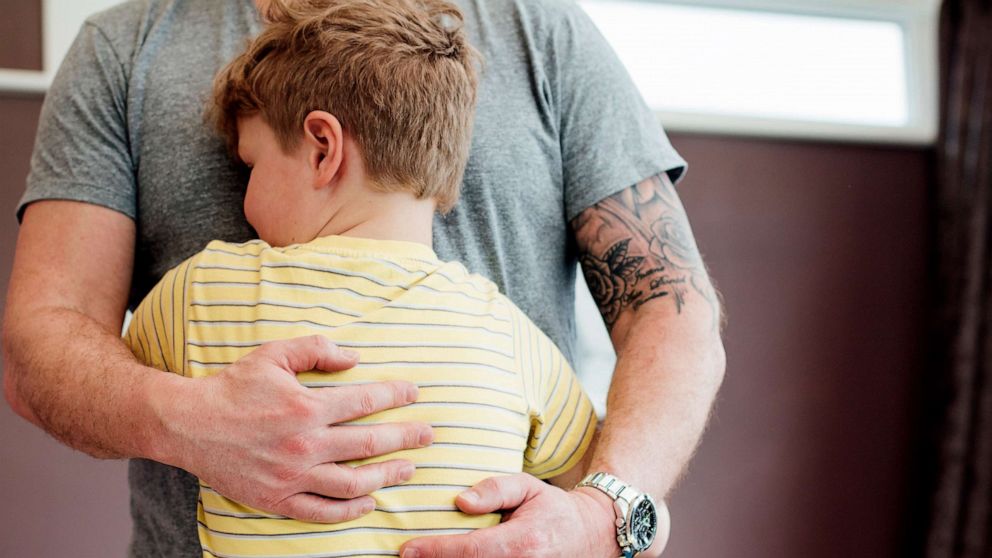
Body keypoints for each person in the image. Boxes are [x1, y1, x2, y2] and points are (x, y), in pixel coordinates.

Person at [2, 0, 725, 556]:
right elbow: (42, 343)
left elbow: (671, 308)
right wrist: (189, 423)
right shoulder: (127, 46)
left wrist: (606, 517)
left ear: (321, 148)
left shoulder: (538, 28)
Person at [123, 1, 597, 555]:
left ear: (322, 149)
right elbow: (584, 473)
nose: (244, 199)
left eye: (250, 167)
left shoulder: (202, 294)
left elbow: (96, 386)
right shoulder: (511, 339)